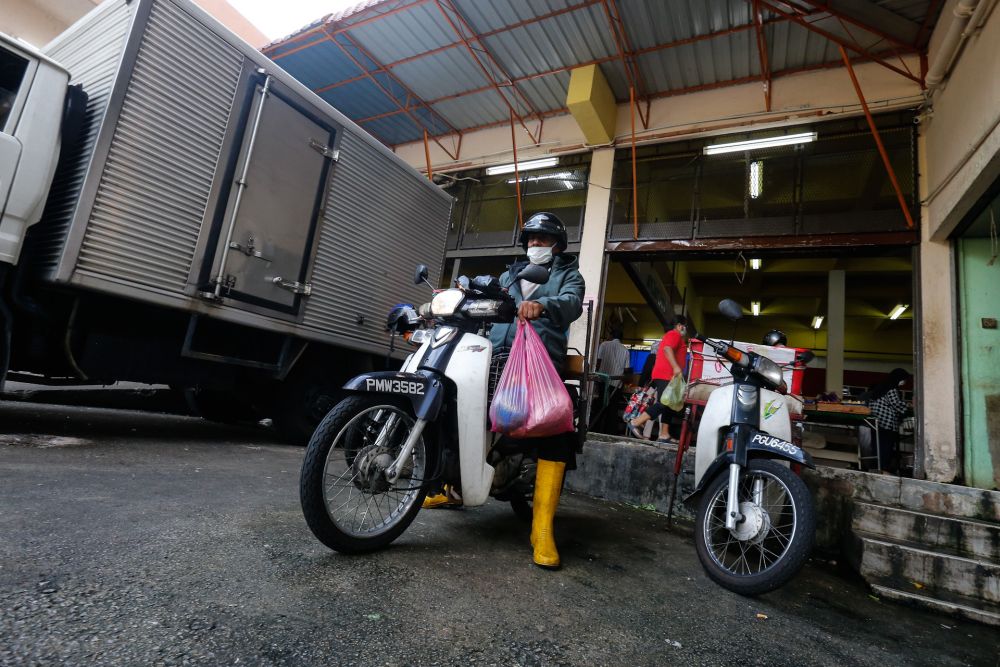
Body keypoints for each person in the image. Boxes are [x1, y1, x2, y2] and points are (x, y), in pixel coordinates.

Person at [426, 212, 585, 570]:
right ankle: (448, 488)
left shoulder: (567, 275)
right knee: (451, 408)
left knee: (554, 432)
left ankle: (541, 529)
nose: (535, 246)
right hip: (495, 358)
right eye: (530, 240)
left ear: (557, 245)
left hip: (540, 364)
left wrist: (544, 305)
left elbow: (571, 302)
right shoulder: (509, 274)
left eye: (542, 240)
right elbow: (482, 298)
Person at [627, 315, 689, 443]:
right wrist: (676, 367)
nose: (685, 329)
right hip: (665, 374)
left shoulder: (675, 336)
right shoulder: (674, 334)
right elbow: (667, 349)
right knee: (664, 403)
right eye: (685, 326)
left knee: (669, 405)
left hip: (669, 375)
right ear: (679, 325)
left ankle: (664, 434)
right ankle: (636, 421)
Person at [863, 368, 911, 474]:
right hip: (886, 422)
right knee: (886, 446)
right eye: (904, 379)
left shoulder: (881, 387)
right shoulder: (892, 388)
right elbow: (896, 403)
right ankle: (883, 468)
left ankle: (876, 468)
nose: (904, 382)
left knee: (877, 446)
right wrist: (908, 406)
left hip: (875, 420)